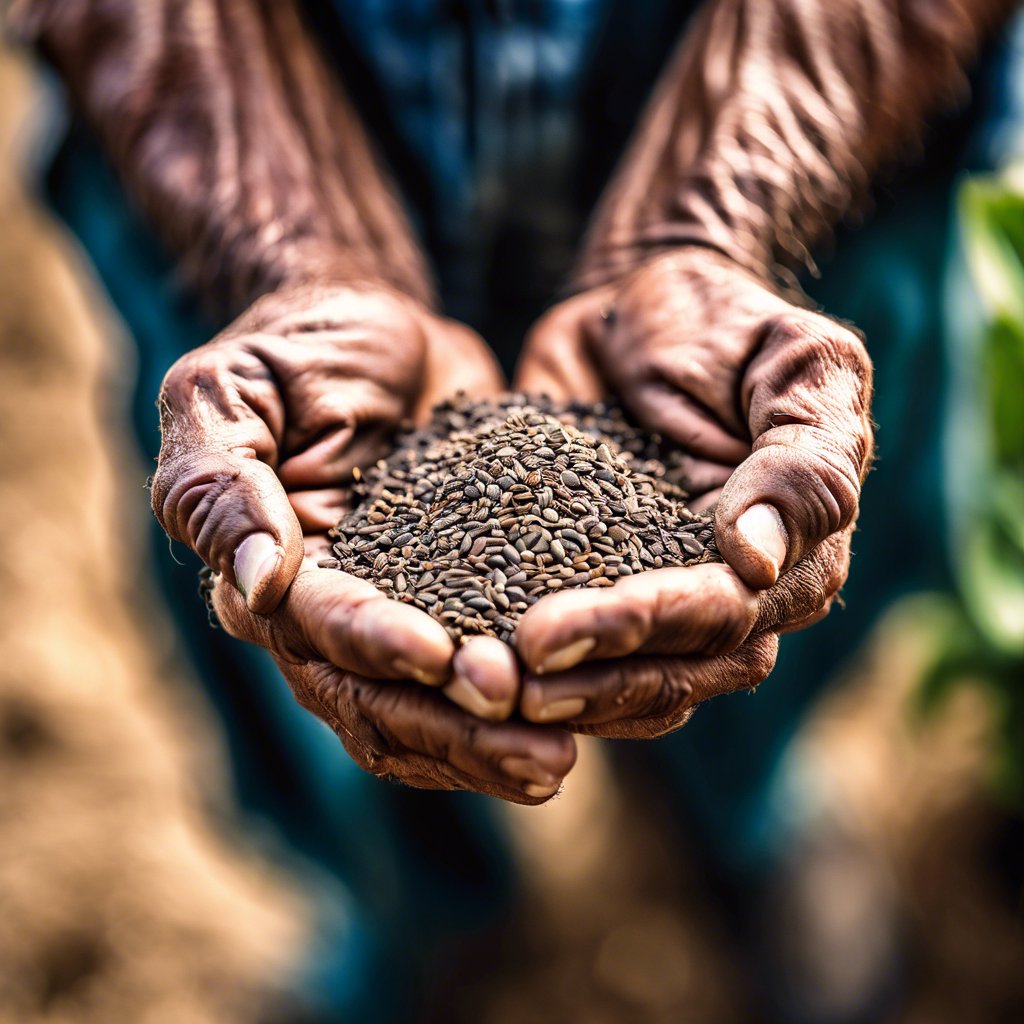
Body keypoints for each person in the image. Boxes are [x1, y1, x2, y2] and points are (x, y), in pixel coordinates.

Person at [15, 0, 1018, 1019]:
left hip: (811, 148)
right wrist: (293, 246)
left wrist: (712, 214)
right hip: (242, 152)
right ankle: (426, 914)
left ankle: (743, 825)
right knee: (308, 655)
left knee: (770, 569)